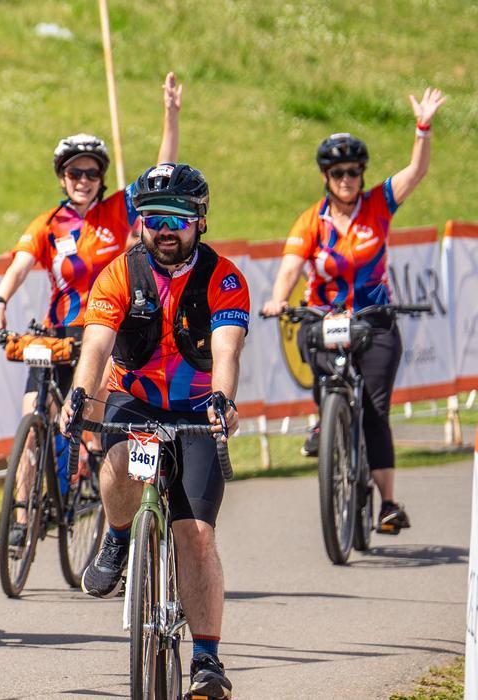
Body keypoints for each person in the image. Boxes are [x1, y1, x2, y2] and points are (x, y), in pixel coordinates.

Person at [60, 163, 249, 699]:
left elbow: (227, 349)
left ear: (201, 221)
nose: (166, 229)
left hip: (195, 409)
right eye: (154, 218)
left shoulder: (224, 277)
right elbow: (96, 344)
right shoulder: (120, 272)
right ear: (140, 221)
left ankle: (208, 659)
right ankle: (118, 538)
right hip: (135, 400)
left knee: (197, 535)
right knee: (118, 466)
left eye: (179, 218)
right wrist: (80, 393)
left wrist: (224, 399)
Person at [0, 72, 183, 548]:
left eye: (91, 173)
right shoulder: (49, 223)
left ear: (101, 178)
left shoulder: (120, 211)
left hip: (109, 332)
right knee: (33, 421)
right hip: (59, 334)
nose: (84, 181)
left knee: (97, 425)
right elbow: (20, 263)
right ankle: (22, 520)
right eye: (75, 173)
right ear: (62, 177)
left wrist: (170, 115)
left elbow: (163, 167)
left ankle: (105, 495)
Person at [261, 87, 446, 534]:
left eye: (353, 172)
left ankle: (388, 502)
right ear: (325, 176)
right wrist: (278, 298)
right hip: (325, 318)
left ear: (362, 174)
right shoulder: (311, 221)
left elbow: (417, 171)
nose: (346, 179)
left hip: (375, 321)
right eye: (338, 172)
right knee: (322, 369)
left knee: (376, 409)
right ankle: (326, 419)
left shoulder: (379, 204)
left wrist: (422, 128)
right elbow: (290, 267)